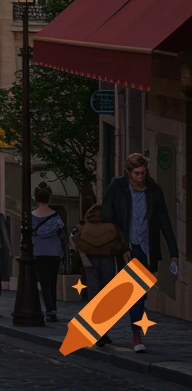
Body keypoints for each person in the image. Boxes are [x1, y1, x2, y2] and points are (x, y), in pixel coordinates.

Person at [101, 151, 180, 354]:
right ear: (128, 172)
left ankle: (108, 328)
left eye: (143, 172)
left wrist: (174, 252)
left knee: (137, 292)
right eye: (136, 173)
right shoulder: (117, 188)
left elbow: (165, 221)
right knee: (133, 290)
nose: (140, 176)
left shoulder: (153, 190)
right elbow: (107, 217)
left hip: (146, 247)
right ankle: (136, 335)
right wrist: (123, 244)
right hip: (125, 247)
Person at [75, 204, 127, 346]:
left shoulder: (85, 226)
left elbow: (77, 242)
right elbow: (121, 243)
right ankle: (102, 331)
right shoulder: (112, 226)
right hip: (107, 258)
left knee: (94, 292)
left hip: (89, 259)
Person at [31, 183, 65, 322]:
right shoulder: (55, 216)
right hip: (54, 252)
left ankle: (49, 309)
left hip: (39, 251)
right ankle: (53, 308)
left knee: (44, 282)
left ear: (36, 199)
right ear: (49, 198)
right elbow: (60, 231)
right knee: (52, 282)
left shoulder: (32, 216)